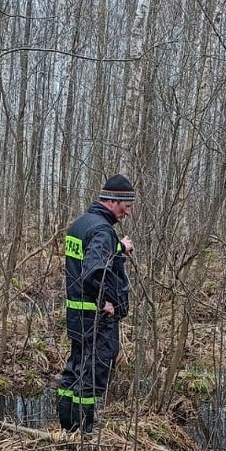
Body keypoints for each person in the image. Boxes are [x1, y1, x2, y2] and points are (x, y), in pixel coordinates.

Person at [56, 174, 135, 433]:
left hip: (77, 314)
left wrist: (118, 247)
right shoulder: (102, 229)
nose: (128, 210)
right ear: (113, 201)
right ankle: (84, 433)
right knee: (92, 375)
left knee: (75, 369)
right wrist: (109, 301)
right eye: (126, 204)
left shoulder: (81, 224)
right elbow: (93, 270)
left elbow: (88, 258)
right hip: (97, 317)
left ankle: (67, 430)